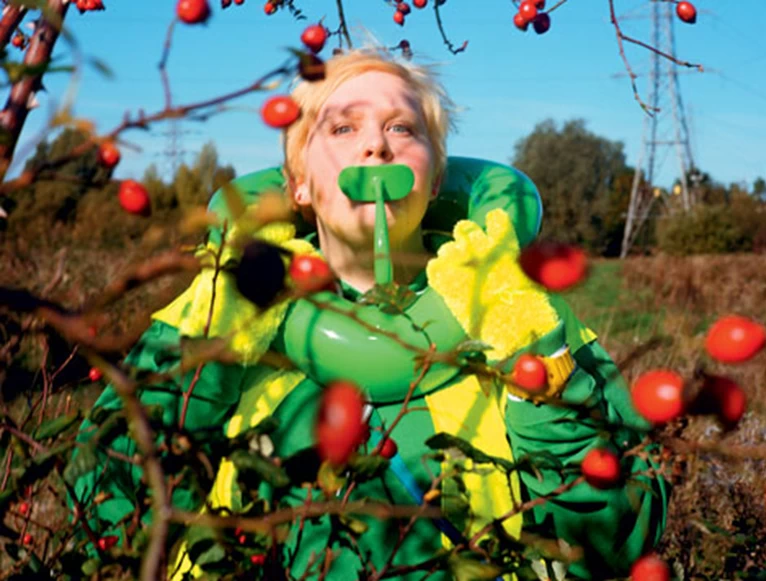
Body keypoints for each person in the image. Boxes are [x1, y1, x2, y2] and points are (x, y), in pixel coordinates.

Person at [72, 48, 669, 580]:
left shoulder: (525, 309)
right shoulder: (227, 304)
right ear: (298, 184)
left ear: (436, 179)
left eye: (402, 128)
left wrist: (531, 363)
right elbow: (106, 501)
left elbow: (617, 536)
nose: (376, 145)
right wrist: (215, 331)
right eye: (342, 127)